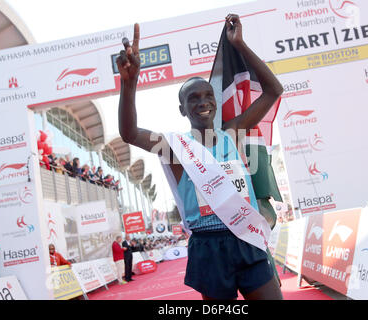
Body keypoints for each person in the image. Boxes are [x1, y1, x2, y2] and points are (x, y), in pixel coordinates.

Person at [117, 15, 283, 300]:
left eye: (207, 95)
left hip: (246, 238)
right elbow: (130, 133)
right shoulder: (174, 147)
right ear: (182, 109)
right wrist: (129, 83)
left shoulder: (233, 132)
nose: (203, 101)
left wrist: (240, 45)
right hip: (209, 247)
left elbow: (273, 91)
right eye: (193, 98)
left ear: (215, 102)